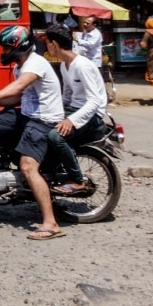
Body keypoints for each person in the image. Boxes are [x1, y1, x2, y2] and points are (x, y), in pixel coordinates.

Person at [0, 25, 66, 240]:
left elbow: (19, 86)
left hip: (44, 120)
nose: (2, 53)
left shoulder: (35, 63)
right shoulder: (19, 66)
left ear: (17, 46)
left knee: (28, 166)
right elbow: (16, 97)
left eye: (5, 48)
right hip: (27, 115)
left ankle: (51, 223)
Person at [42, 24, 108, 194]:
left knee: (56, 137)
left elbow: (94, 100)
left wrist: (71, 120)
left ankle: (77, 180)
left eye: (47, 42)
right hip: (74, 109)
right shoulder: (65, 65)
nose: (47, 47)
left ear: (54, 44)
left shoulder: (82, 65)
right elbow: (67, 95)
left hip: (92, 115)